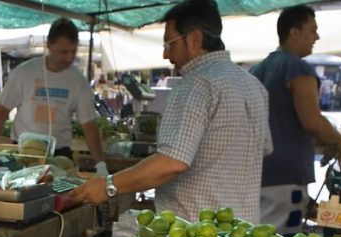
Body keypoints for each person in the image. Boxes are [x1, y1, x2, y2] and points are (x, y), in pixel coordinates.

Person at [70, 0, 272, 222]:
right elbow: (264, 149)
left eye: (170, 44)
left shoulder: (196, 83)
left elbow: (171, 163)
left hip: (193, 234)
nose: (166, 55)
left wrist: (109, 185)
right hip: (242, 233)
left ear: (195, 39)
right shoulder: (253, 85)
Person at [250, 5, 341, 233]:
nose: (317, 37)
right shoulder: (297, 68)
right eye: (312, 30)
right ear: (294, 32)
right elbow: (312, 121)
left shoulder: (257, 69)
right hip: (286, 174)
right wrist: (338, 140)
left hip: (257, 170)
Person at [0, 18, 105, 165]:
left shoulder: (79, 81)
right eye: (64, 52)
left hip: (60, 154)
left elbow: (89, 126)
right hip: (23, 152)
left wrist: (100, 164)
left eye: (73, 51)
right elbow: (1, 112)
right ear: (49, 45)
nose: (69, 57)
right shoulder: (24, 73)